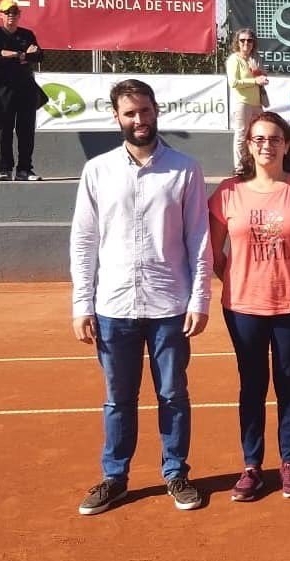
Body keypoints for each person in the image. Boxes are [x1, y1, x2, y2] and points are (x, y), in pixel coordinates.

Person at [71, 78, 212, 515]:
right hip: (113, 307)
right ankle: (114, 478)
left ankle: (176, 473)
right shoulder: (97, 170)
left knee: (173, 394)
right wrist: (82, 304)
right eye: (130, 113)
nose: (139, 120)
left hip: (170, 305)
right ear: (116, 117)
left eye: (145, 112)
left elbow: (199, 238)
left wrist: (200, 299)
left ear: (156, 112)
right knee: (118, 398)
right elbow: (83, 241)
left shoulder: (185, 168)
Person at [210, 112, 290, 501]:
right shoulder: (228, 193)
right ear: (248, 145)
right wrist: (243, 279)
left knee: (288, 380)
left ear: (286, 144)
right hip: (244, 305)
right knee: (252, 384)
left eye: (274, 138)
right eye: (258, 139)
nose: (266, 145)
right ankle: (251, 466)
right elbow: (215, 253)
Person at [0, 0, 44, 181]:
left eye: (15, 13)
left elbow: (39, 55)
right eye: (7, 12)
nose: (11, 16)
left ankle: (24, 170)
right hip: (4, 89)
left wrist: (13, 54)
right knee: (4, 129)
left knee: (26, 130)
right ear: (0, 15)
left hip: (26, 87)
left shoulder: (27, 34)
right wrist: (22, 54)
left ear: (19, 15)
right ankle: (5, 170)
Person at [225, 27, 269, 171]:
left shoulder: (255, 59)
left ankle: (253, 165)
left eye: (249, 40)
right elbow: (234, 83)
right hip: (242, 103)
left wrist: (259, 75)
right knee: (241, 135)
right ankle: (239, 168)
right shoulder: (234, 60)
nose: (246, 43)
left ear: (253, 43)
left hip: (257, 103)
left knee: (256, 134)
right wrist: (255, 81)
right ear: (237, 42)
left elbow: (261, 78)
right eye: (242, 40)